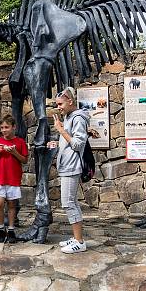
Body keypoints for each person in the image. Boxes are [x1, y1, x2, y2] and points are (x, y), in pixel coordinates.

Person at [49, 87, 90, 253]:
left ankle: (79, 242)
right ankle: (76, 237)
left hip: (72, 167)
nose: (58, 107)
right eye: (57, 104)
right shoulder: (69, 117)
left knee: (68, 203)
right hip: (67, 165)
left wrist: (60, 130)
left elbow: (78, 144)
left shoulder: (77, 118)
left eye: (61, 104)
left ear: (70, 101)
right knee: (71, 202)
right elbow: (69, 142)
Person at [0, 114, 28, 243]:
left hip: (13, 177)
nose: (4, 130)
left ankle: (11, 229)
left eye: (6, 127)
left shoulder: (20, 142)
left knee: (12, 205)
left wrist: (14, 152)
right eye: (2, 127)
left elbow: (24, 160)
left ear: (14, 127)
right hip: (0, 177)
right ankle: (1, 228)